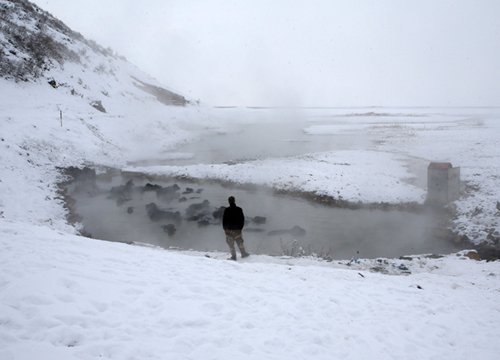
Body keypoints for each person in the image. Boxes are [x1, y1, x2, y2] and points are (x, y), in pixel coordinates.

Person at [222, 196, 249, 260]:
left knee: (231, 244)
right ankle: (243, 253)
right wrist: (240, 228)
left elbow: (224, 220)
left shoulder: (227, 210)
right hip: (237, 230)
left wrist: (225, 229)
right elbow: (242, 220)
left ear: (229, 201)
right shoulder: (239, 209)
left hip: (229, 230)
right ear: (234, 201)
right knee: (240, 242)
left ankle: (233, 256)